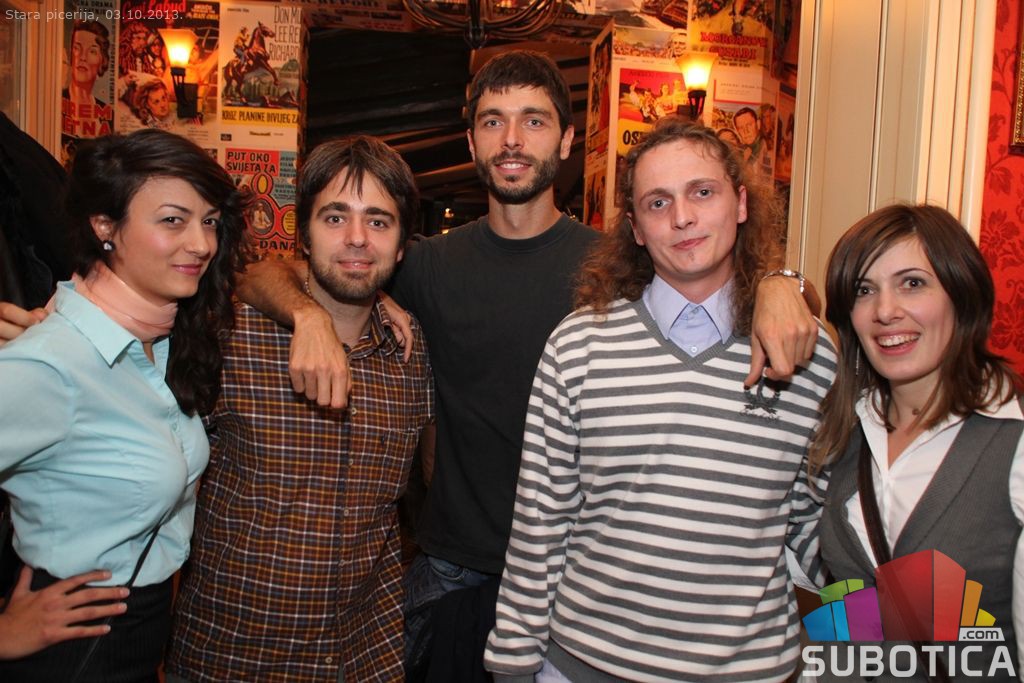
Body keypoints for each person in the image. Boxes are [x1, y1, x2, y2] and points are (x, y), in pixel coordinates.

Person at [185, 49, 815, 672]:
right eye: (493, 121)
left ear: (566, 140)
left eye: (533, 120)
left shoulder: (618, 264)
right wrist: (308, 316)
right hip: (453, 573)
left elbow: (708, 274)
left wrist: (782, 283)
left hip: (578, 579)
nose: (512, 138)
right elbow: (266, 273)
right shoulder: (423, 264)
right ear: (472, 141)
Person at [484, 117, 837, 682]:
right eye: (657, 202)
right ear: (637, 230)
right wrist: (512, 663)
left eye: (703, 192)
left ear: (741, 203)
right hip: (584, 667)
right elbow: (540, 526)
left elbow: (819, 532)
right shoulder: (578, 347)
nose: (682, 217)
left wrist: (864, 653)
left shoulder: (806, 354)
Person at [163, 136, 434, 682]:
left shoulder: (409, 352)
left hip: (364, 659)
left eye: (378, 221)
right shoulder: (230, 338)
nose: (357, 238)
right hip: (233, 660)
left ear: (402, 245)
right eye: (335, 217)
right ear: (304, 235)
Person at [0, 128, 248, 681]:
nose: (201, 244)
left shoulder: (159, 345)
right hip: (69, 654)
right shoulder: (51, 364)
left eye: (210, 221)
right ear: (104, 226)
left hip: (140, 638)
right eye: (173, 220)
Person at [809, 204, 1024, 679]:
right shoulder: (845, 432)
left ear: (961, 295)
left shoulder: (1013, 443)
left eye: (912, 283)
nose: (886, 311)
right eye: (864, 290)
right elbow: (849, 615)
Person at [62, 20, 113, 138]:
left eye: (92, 51)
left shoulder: (110, 116)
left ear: (102, 61)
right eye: (77, 48)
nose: (82, 57)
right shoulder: (56, 103)